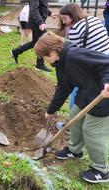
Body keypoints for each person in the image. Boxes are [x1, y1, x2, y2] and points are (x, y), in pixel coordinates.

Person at [34, 31, 109, 183]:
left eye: (44, 57)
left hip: (103, 95)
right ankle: (74, 150)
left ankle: (101, 170)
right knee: (74, 117)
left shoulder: (75, 55)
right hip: (87, 92)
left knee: (92, 131)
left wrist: (107, 81)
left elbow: (106, 63)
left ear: (52, 51)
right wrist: (51, 109)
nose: (45, 60)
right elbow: (63, 88)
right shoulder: (60, 63)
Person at [59, 3, 109, 110]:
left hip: (96, 63)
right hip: (106, 58)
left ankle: (73, 116)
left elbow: (73, 55)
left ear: (72, 15)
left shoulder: (75, 29)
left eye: (65, 18)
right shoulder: (94, 19)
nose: (63, 22)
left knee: (76, 88)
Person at [10, 0, 57, 72]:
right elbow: (33, 9)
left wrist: (50, 13)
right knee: (45, 41)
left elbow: (42, 6)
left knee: (34, 42)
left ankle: (15, 52)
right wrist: (40, 22)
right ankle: (40, 64)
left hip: (38, 22)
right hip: (36, 22)